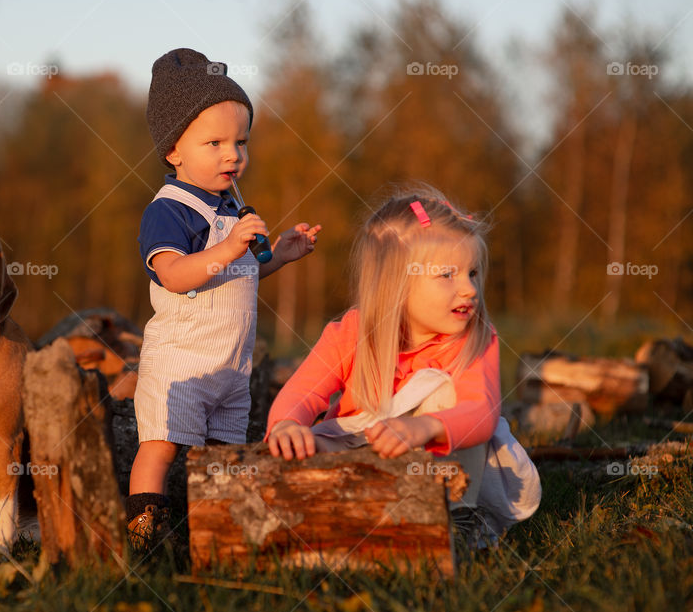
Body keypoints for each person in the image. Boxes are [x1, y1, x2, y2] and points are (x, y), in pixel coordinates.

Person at [266, 188, 540, 548]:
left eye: (472, 273)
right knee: (307, 448)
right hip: (365, 447)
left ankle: (457, 521)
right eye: (448, 275)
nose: (470, 289)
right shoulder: (351, 332)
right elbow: (304, 392)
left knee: (442, 388)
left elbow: (480, 413)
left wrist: (424, 427)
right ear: (396, 283)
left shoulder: (474, 337)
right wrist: (286, 425)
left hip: (445, 463)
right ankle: (340, 519)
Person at [126, 48, 321, 551]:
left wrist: (279, 255)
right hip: (182, 362)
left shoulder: (232, 206)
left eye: (240, 141)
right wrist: (228, 244)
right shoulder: (171, 209)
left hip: (230, 365)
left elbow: (244, 273)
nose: (232, 154)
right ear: (174, 150)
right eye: (214, 142)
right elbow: (172, 274)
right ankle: (144, 532)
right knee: (161, 445)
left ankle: (214, 535)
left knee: (221, 455)